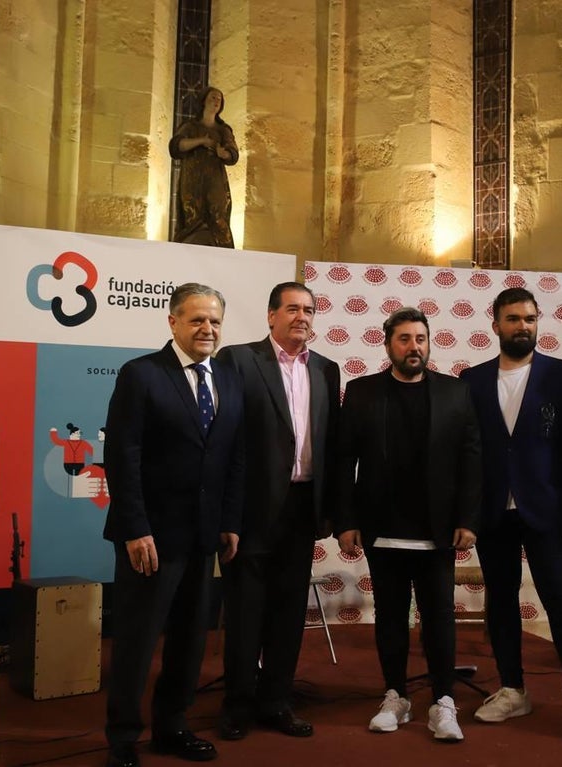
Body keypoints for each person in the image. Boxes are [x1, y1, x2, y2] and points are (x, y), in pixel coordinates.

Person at [102, 283, 246, 767]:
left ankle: (171, 727)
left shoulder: (227, 379)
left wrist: (228, 521)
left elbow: (232, 460)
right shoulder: (141, 375)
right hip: (151, 539)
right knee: (138, 644)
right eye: (197, 320)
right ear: (173, 323)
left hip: (203, 537)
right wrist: (134, 528)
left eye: (215, 322)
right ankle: (123, 737)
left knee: (189, 642)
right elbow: (122, 457)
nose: (208, 329)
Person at [459, 287, 562, 742]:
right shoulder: (472, 380)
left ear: (538, 322)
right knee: (500, 604)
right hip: (494, 512)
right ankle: (512, 689)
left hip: (552, 511)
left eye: (530, 319)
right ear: (495, 323)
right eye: (513, 318)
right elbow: (467, 451)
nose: (523, 326)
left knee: (561, 603)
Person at [335, 307, 481, 743]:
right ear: (388, 345)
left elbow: (472, 460)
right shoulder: (361, 392)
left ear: (429, 343)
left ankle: (443, 701)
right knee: (391, 618)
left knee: (439, 620)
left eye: (420, 338)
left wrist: (469, 520)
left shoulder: (456, 393)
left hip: (437, 532)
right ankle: (395, 695)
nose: (413, 346)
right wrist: (346, 520)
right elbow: (344, 462)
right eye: (404, 339)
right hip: (382, 529)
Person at [214, 282, 340, 740]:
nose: (301, 317)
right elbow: (225, 438)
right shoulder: (238, 359)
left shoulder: (328, 369)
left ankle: (276, 701)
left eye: (309, 309)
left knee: (289, 614)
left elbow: (330, 443)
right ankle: (237, 705)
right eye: (291, 309)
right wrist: (226, 515)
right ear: (271, 316)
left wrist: (331, 509)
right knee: (245, 613)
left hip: (303, 508)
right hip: (250, 512)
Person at [169, 86, 239, 248]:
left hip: (215, 179)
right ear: (204, 100)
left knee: (217, 215)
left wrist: (224, 153)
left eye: (219, 99)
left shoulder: (223, 130)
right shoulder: (190, 127)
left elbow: (233, 153)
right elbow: (176, 146)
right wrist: (201, 141)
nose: (216, 101)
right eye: (213, 97)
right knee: (193, 214)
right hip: (193, 178)